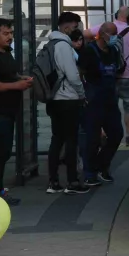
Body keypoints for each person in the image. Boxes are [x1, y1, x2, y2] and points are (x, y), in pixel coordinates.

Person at [0, 18, 32, 205]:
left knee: (3, 154)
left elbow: (9, 75)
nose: (10, 37)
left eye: (11, 33)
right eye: (5, 33)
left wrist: (21, 78)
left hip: (9, 111)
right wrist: (17, 85)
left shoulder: (6, 53)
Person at [45, 12, 89, 195]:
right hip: (68, 99)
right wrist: (81, 94)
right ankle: (72, 181)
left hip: (54, 99)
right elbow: (72, 75)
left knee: (57, 140)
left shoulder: (50, 44)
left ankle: (53, 182)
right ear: (66, 26)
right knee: (71, 140)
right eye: (75, 26)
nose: (76, 29)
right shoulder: (63, 46)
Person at [79, 22, 125, 185]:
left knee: (116, 134)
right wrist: (82, 94)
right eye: (111, 34)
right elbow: (80, 73)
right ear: (102, 33)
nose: (114, 37)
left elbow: (120, 69)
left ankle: (101, 165)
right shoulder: (89, 51)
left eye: (115, 34)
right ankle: (90, 173)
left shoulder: (113, 51)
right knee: (92, 138)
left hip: (110, 100)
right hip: (93, 100)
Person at [90, 6, 129, 147]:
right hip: (127, 75)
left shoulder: (105, 27)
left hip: (108, 76)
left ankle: (103, 133)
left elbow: (85, 33)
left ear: (117, 14)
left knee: (107, 105)